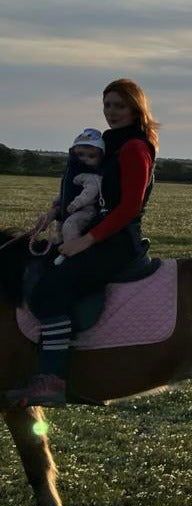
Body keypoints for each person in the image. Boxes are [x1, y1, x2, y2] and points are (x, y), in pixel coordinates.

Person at [6, 79, 159, 407]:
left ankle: (51, 380)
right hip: (94, 233)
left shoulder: (135, 148)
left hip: (116, 243)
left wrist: (86, 241)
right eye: (107, 105)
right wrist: (56, 210)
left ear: (135, 109)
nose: (111, 112)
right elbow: (92, 191)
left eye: (119, 106)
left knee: (48, 294)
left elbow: (129, 207)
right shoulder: (108, 145)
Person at [48, 129, 106, 265]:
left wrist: (77, 203)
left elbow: (90, 192)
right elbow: (67, 190)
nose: (85, 158)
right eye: (80, 154)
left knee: (70, 225)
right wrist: (58, 201)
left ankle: (71, 254)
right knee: (61, 227)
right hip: (71, 209)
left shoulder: (91, 176)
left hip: (86, 210)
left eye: (91, 156)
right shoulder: (73, 172)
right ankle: (60, 247)